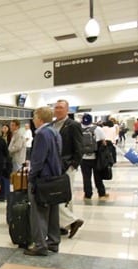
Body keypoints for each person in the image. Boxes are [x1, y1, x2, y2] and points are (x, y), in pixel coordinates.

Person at [24, 107, 62, 256]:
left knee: (38, 212)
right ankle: (53, 242)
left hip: (42, 178)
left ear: (40, 118)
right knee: (53, 211)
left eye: (34, 117)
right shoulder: (55, 132)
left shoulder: (41, 134)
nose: (33, 120)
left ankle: (40, 245)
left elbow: (38, 160)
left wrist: (31, 177)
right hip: (55, 177)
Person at [53, 99, 84, 239]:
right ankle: (65, 225)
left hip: (67, 166)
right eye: (56, 107)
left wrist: (73, 165)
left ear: (67, 110)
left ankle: (71, 221)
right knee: (65, 196)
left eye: (60, 107)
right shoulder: (53, 125)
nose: (58, 110)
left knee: (62, 195)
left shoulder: (73, 125)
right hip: (55, 166)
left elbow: (79, 147)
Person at [80, 114, 108, 201]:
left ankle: (88, 194)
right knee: (98, 176)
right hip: (96, 158)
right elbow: (104, 142)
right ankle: (101, 193)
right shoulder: (98, 129)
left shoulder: (78, 129)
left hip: (83, 158)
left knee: (86, 177)